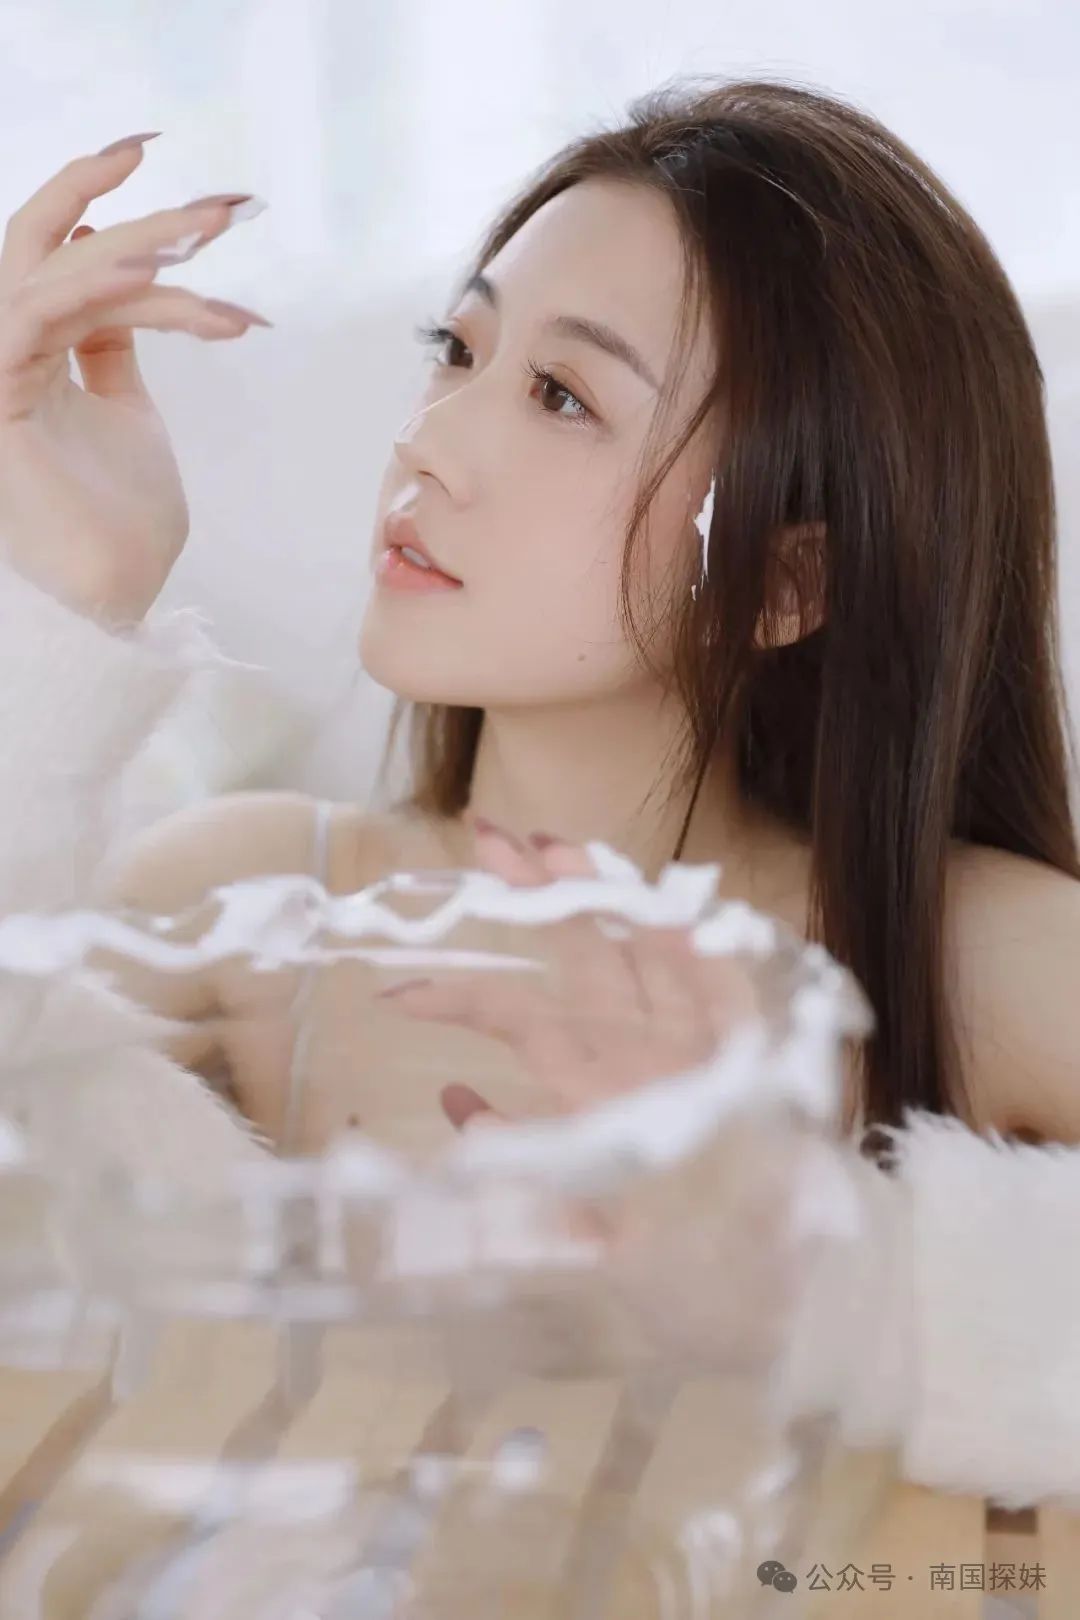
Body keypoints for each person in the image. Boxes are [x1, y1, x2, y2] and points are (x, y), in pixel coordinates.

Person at [0, 82, 1079, 1509]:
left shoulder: (963, 955)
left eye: (564, 395)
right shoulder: (258, 902)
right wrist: (68, 604)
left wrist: (830, 1289)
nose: (429, 443)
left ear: (785, 579)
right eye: (456, 351)